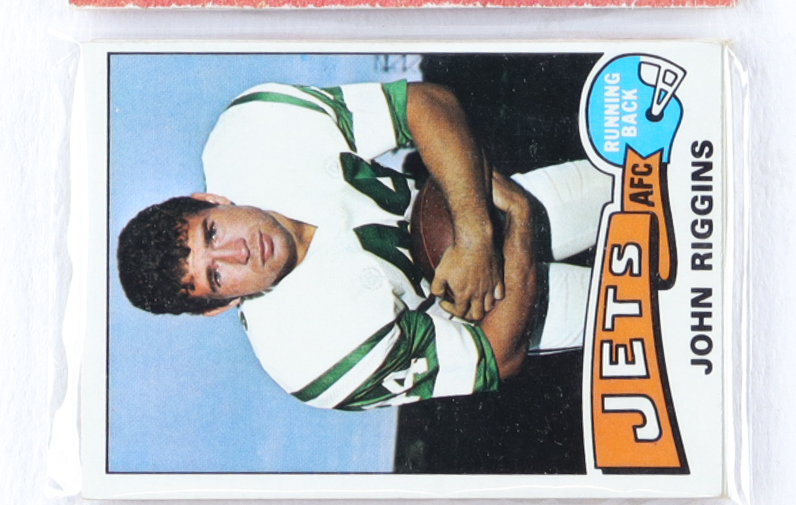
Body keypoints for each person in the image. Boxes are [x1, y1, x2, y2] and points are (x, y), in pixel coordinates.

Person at [118, 80, 611, 410]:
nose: (237, 253)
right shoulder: (306, 358)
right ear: (219, 307)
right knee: (645, 307)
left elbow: (424, 103)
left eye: (212, 233)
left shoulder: (250, 131)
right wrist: (519, 222)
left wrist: (474, 230)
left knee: (645, 178)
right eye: (216, 275)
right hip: (503, 303)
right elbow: (496, 357)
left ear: (210, 199)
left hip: (481, 206)